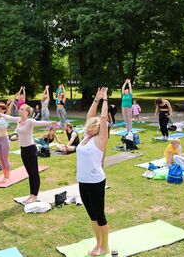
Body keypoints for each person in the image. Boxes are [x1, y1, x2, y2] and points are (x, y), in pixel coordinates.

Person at [77, 88, 110, 256]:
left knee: (100, 214)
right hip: (82, 181)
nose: (87, 127)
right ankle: (98, 243)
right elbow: (91, 115)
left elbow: (102, 118)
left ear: (96, 129)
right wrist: (96, 99)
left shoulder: (100, 139)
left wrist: (105, 100)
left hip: (96, 181)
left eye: (90, 127)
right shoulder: (85, 137)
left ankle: (105, 246)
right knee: (92, 216)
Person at [14, 104, 57, 204]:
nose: (19, 110)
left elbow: (40, 123)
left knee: (34, 173)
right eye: (20, 109)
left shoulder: (30, 121)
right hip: (23, 150)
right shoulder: (18, 120)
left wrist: (51, 122)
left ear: (27, 112)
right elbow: (7, 117)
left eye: (22, 109)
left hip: (30, 149)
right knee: (29, 173)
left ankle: (35, 195)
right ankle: (31, 194)